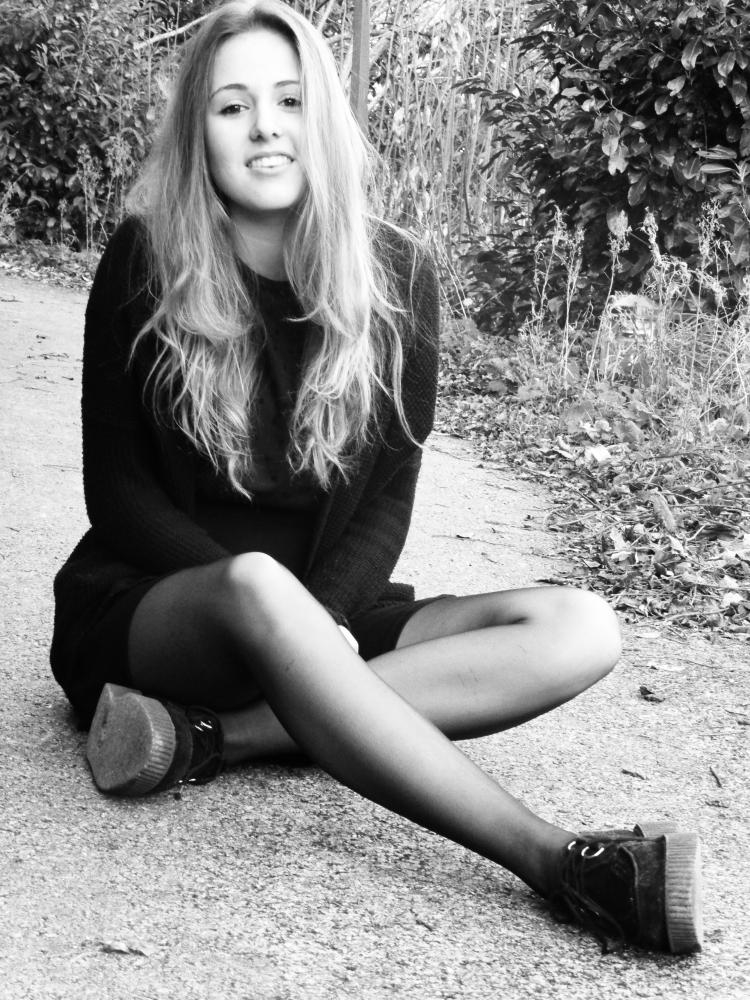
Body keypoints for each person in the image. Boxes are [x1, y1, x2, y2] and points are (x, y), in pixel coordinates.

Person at [50, 0, 702, 956]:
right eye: (232, 107)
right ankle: (559, 862)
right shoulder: (145, 260)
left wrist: (323, 622)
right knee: (254, 586)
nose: (265, 126)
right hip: (163, 607)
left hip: (333, 607)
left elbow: (389, 497)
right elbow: (119, 495)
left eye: (289, 99)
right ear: (200, 133)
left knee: (579, 627)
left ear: (325, 115)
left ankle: (210, 737)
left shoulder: (398, 274)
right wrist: (285, 619)